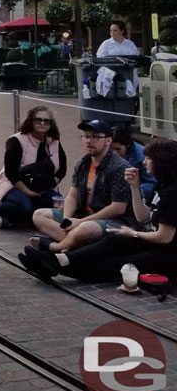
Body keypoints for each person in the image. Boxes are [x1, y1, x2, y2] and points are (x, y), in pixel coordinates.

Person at [19, 138, 177, 283]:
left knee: (120, 263)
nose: (143, 162)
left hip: (168, 253)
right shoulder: (162, 185)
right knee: (114, 241)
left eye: (149, 159)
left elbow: (164, 237)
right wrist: (134, 187)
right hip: (154, 243)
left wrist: (133, 233)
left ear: (161, 161)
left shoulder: (173, 192)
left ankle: (56, 265)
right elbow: (142, 217)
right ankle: (57, 259)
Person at [29, 119, 138, 253]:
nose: (89, 141)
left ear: (108, 141)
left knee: (84, 229)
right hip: (83, 215)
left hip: (113, 220)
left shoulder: (119, 167)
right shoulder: (83, 163)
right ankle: (74, 245)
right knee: (39, 215)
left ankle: (56, 247)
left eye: (95, 137)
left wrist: (80, 222)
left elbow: (118, 208)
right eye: (86, 136)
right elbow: (73, 195)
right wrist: (67, 220)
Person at [0, 106, 68, 228]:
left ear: (51, 124)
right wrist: (28, 192)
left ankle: (9, 217)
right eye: (38, 120)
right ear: (30, 121)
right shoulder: (17, 140)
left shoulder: (54, 141)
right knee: (26, 206)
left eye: (46, 121)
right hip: (14, 184)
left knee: (58, 206)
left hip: (42, 187)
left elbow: (62, 169)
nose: (42, 123)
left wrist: (49, 184)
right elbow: (10, 172)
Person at [112, 125, 153, 201]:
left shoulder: (141, 157)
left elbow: (152, 183)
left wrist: (133, 192)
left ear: (127, 145)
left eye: (118, 149)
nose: (114, 153)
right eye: (111, 149)